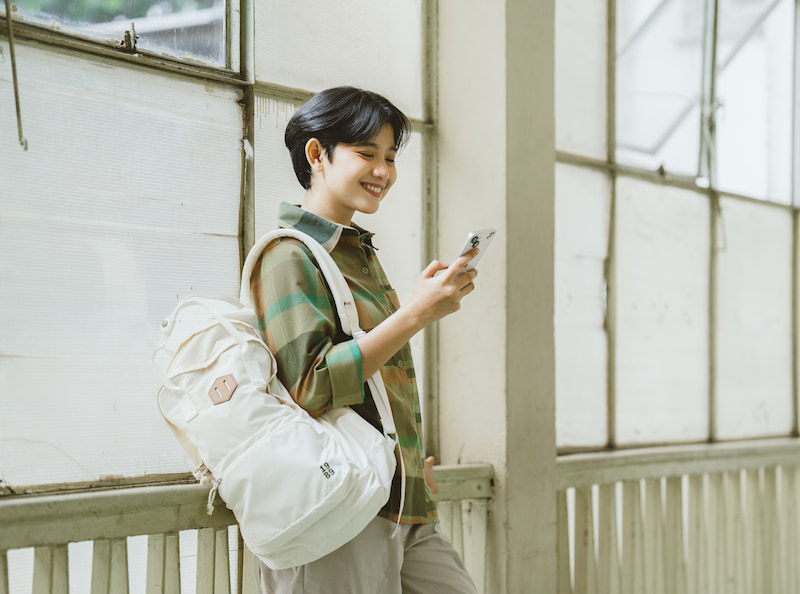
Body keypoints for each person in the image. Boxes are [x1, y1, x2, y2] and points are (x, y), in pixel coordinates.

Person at [249, 86, 480, 593]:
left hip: (398, 499)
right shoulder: (288, 255)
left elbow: (375, 383)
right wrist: (416, 313)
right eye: (366, 153)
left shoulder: (356, 252)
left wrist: (408, 462)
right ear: (317, 154)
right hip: (340, 508)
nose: (383, 171)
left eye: (391, 157)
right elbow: (311, 385)